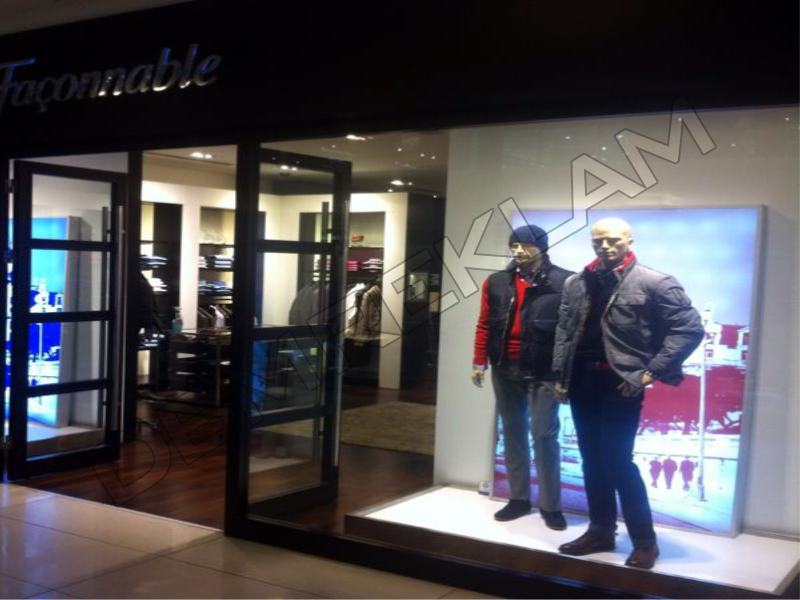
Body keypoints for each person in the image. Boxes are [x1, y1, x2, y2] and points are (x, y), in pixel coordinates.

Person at [552, 217, 704, 569]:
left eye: (613, 240)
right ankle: (601, 530)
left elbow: (689, 329)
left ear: (629, 240)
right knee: (591, 459)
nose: (605, 246)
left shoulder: (654, 282)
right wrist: (561, 376)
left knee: (617, 461)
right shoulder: (577, 282)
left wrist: (649, 372)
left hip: (620, 382)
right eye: (598, 241)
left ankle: (645, 542)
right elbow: (565, 332)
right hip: (582, 380)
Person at [472, 224, 574, 530]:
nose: (518, 251)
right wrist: (479, 360)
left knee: (544, 434)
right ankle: (518, 498)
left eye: (525, 245)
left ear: (541, 247)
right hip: (505, 366)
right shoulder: (497, 282)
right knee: (512, 431)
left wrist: (565, 373)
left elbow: (570, 331)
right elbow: (485, 323)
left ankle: (551, 505)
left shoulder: (565, 281)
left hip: (544, 369)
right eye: (514, 245)